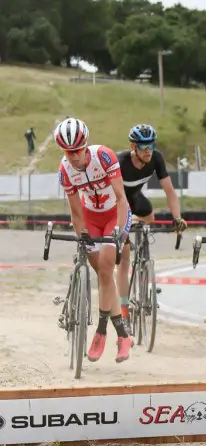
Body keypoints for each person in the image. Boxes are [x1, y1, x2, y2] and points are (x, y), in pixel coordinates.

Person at [55, 117, 133, 363]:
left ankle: (101, 331)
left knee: (107, 265)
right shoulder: (65, 170)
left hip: (114, 214)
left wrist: (119, 229)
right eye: (69, 151)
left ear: (85, 146)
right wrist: (83, 236)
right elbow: (76, 211)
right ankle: (122, 333)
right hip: (90, 217)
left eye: (77, 150)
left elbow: (121, 198)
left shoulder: (104, 157)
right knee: (101, 275)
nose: (74, 156)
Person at [116, 124, 188, 333]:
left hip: (136, 199)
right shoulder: (120, 162)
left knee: (150, 216)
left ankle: (143, 265)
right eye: (143, 146)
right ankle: (124, 311)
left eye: (151, 145)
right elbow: (119, 200)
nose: (149, 150)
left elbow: (170, 192)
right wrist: (125, 226)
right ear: (133, 146)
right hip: (118, 203)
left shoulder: (156, 158)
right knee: (125, 257)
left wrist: (177, 218)